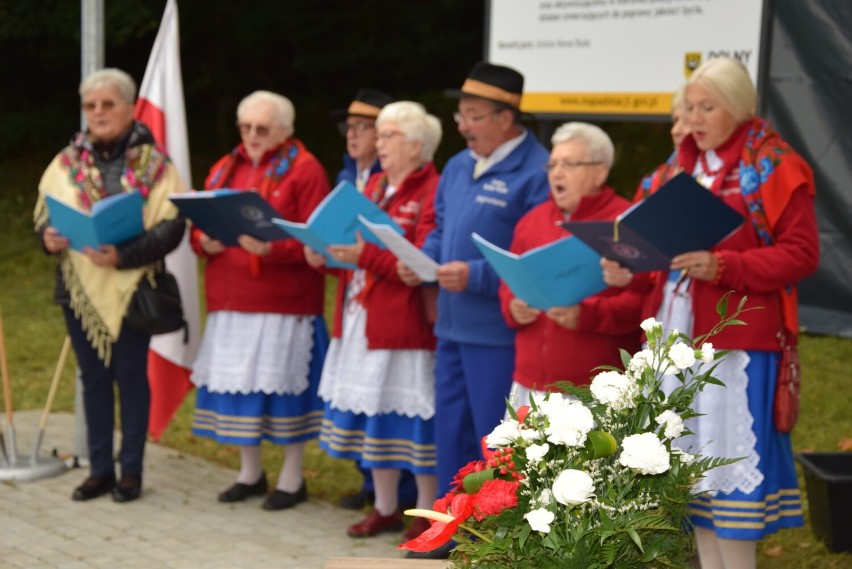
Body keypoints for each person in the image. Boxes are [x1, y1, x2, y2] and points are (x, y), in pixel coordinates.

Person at [603, 57, 818, 569]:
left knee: (730, 474)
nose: (694, 118)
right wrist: (625, 269)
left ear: (739, 107)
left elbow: (802, 254)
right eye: (689, 108)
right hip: (674, 339)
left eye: (708, 107)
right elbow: (650, 251)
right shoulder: (675, 170)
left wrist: (724, 265)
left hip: (737, 345)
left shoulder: (774, 165)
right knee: (692, 474)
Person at [398, 62, 550, 557]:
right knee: (451, 431)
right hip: (453, 323)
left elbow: (535, 255)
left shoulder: (536, 171)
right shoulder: (460, 165)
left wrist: (477, 276)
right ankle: (447, 530)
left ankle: (490, 538)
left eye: (474, 115)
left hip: (497, 330)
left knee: (494, 441)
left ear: (507, 118)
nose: (462, 125)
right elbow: (441, 225)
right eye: (461, 114)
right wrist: (426, 262)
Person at [34, 68, 187, 503]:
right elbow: (44, 217)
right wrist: (47, 239)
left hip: (132, 289)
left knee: (131, 378)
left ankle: (131, 472)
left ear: (129, 107)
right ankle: (99, 469)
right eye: (90, 106)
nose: (98, 113)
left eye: (107, 104)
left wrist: (124, 255)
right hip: (78, 291)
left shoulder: (156, 164)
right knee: (93, 379)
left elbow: (172, 227)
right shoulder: (66, 162)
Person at [189, 90, 330, 511]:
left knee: (284, 393)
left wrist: (274, 250)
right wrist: (203, 241)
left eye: (261, 129)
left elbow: (315, 239)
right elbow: (200, 221)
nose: (251, 135)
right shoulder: (224, 167)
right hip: (231, 300)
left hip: (282, 304)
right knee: (240, 389)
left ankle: (292, 477)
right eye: (245, 127)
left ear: (285, 131)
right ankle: (249, 472)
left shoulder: (305, 171)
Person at [308, 101, 442, 541]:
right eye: (378, 136)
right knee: (375, 419)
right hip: (359, 318)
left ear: (417, 145)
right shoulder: (373, 186)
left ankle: (427, 513)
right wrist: (322, 253)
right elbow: (347, 249)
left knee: (415, 423)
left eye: (389, 136)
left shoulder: (430, 189)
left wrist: (363, 254)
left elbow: (422, 258)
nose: (378, 145)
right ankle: (385, 507)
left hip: (402, 324)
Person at [500, 123, 646, 403]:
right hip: (529, 381)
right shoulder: (531, 220)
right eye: (553, 164)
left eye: (569, 164)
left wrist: (588, 315)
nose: (557, 172)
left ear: (599, 171)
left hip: (594, 387)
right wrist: (513, 306)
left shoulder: (624, 223)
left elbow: (642, 301)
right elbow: (508, 282)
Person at [331, 88, 419, 512]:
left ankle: (397, 495)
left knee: (391, 396)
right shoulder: (352, 180)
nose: (356, 136)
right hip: (355, 300)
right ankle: (374, 486)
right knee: (367, 396)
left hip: (388, 304)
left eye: (367, 128)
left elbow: (408, 253)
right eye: (351, 127)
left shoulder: (400, 185)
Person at [333, 88, 392, 191]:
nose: (350, 134)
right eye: (348, 126)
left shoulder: (392, 176)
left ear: (381, 131)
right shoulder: (344, 177)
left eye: (360, 126)